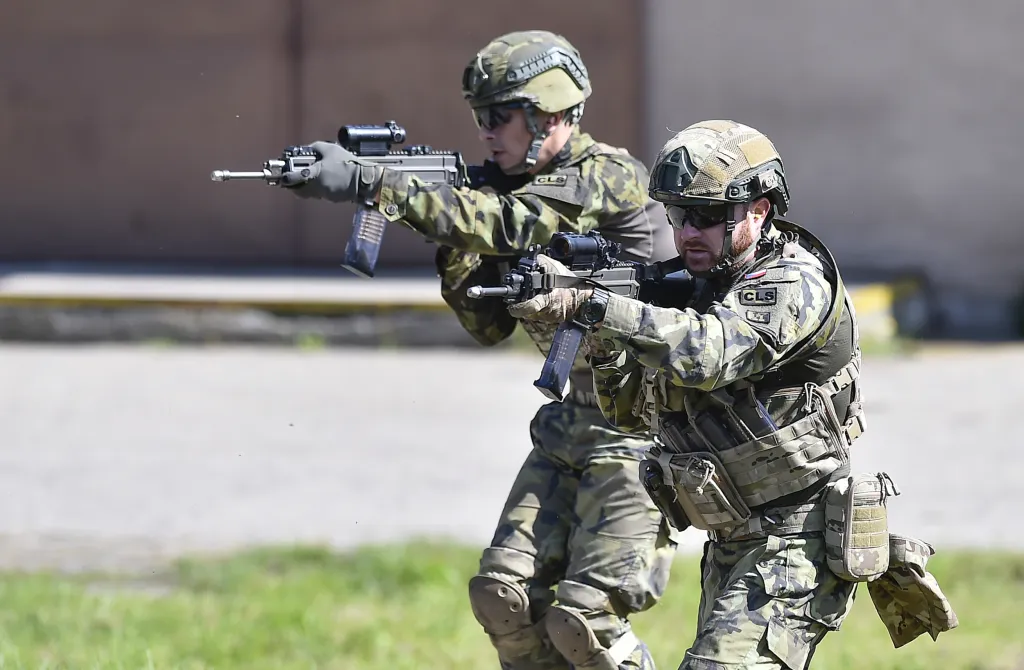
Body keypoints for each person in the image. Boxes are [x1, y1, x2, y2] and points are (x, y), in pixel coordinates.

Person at [278, 30, 680, 670]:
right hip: (568, 422)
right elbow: (487, 326)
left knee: (587, 622)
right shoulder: (512, 189)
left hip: (640, 431)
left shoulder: (605, 177)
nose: (487, 132)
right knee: (504, 599)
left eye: (500, 115)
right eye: (480, 117)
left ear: (549, 114)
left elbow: (510, 224)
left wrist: (375, 185)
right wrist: (457, 246)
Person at [509, 120, 958, 669]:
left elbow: (709, 354)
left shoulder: (793, 280)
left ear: (759, 210)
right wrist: (601, 339)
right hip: (731, 537)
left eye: (706, 216)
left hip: (796, 538)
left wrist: (600, 307)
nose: (687, 233)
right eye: (678, 216)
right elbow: (631, 415)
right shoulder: (696, 290)